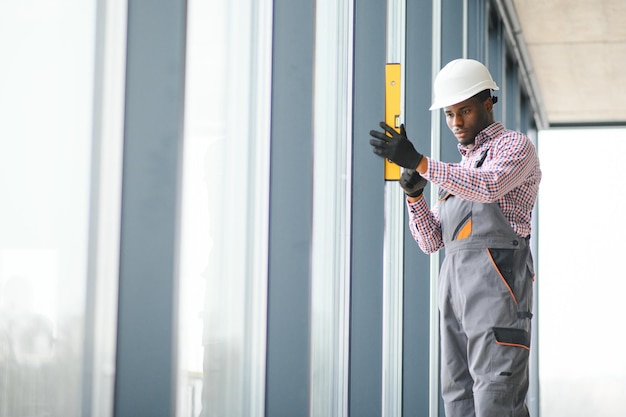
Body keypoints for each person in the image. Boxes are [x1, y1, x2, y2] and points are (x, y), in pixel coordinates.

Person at [369, 58, 541, 417]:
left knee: (496, 398)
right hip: (455, 299)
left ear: (488, 103)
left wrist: (421, 163)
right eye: (449, 114)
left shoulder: (514, 147)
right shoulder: (458, 171)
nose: (456, 122)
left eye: (464, 110)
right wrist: (414, 196)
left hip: (498, 299)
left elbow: (490, 186)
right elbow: (432, 242)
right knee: (458, 399)